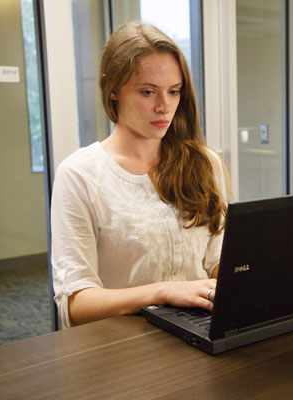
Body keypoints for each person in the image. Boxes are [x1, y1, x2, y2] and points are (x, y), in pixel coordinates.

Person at [51, 22, 228, 328]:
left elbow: (215, 263)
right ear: (113, 89)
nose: (164, 107)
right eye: (148, 92)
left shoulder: (204, 163)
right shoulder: (80, 174)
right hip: (123, 347)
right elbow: (75, 304)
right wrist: (163, 292)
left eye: (174, 92)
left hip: (199, 332)